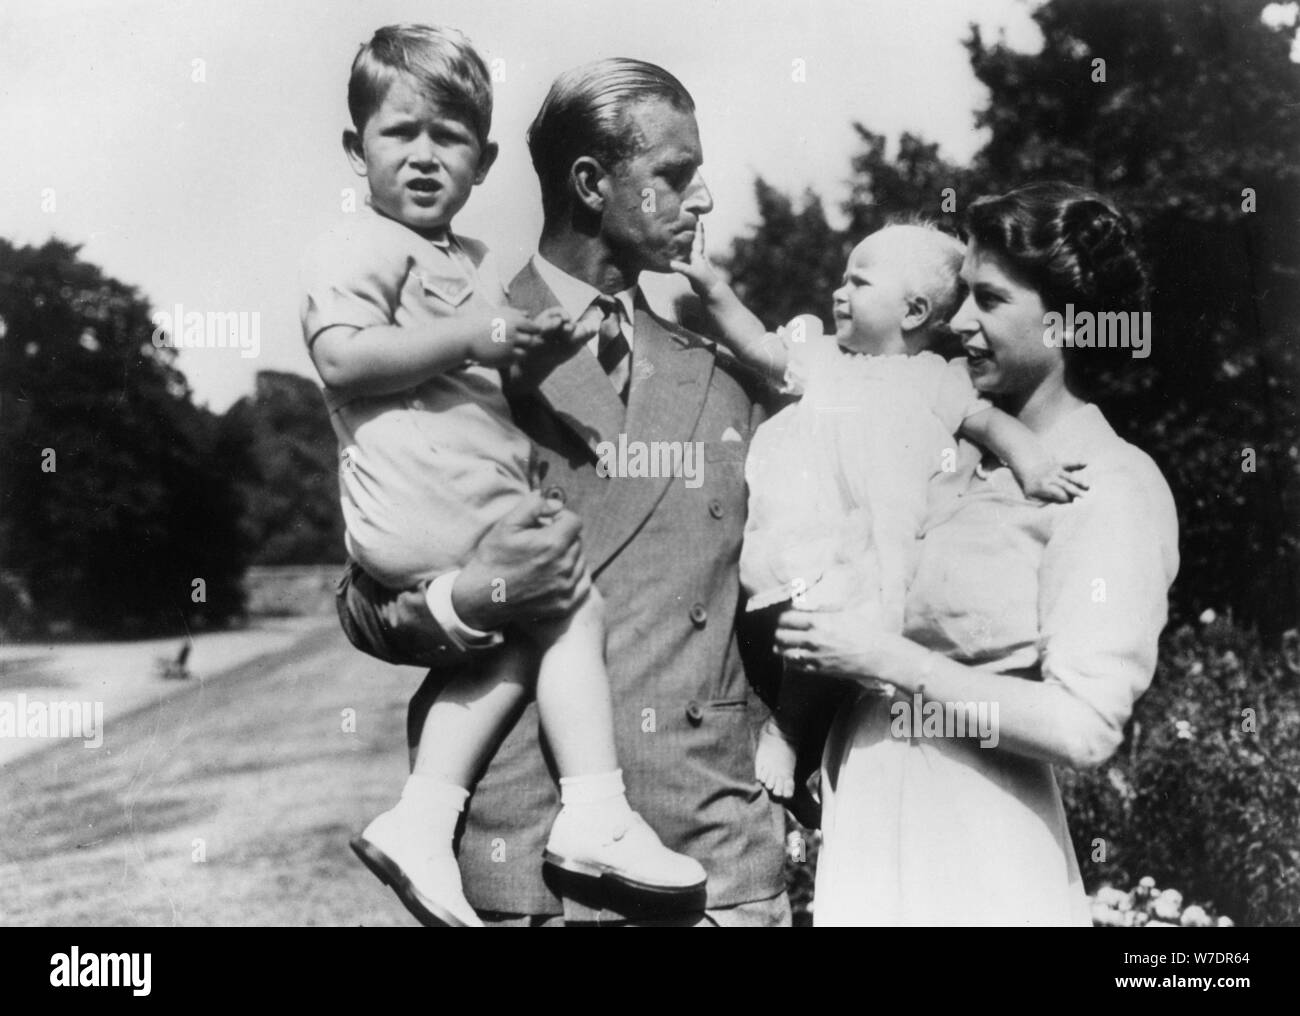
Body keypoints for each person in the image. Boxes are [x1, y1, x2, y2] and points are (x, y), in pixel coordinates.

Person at [334, 56, 791, 926]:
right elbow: (362, 598)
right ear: (589, 182)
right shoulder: (453, 346)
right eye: (675, 175)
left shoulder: (725, 377)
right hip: (526, 859)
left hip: (712, 857)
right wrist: (468, 597)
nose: (702, 201)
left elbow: (779, 583)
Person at [773, 182, 1179, 925]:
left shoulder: (1111, 484)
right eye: (959, 297)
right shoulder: (939, 449)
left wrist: (890, 663)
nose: (957, 322)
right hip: (865, 825)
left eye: (987, 301)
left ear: (1068, 327)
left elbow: (1083, 725)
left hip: (978, 854)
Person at [672, 220, 1086, 799]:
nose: (839, 292)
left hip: (881, 541)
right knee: (808, 625)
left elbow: (989, 423)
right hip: (814, 524)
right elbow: (760, 347)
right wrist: (712, 288)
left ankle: (806, 750)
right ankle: (788, 730)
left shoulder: (936, 380)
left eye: (858, 283)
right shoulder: (825, 358)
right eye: (842, 279)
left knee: (855, 639)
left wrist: (1033, 462)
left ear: (913, 311)